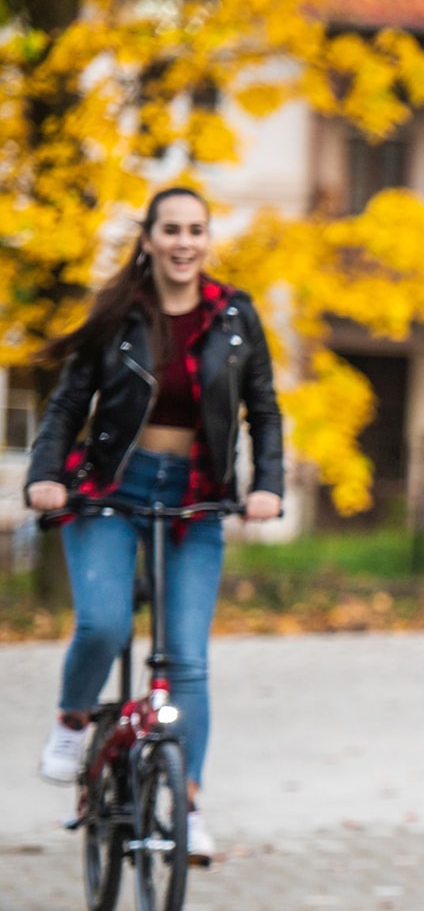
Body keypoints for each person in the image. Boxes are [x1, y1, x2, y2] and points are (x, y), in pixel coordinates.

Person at [25, 186, 285, 864]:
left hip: (197, 496)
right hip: (113, 485)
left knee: (186, 659)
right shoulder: (119, 315)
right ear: (148, 239)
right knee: (106, 624)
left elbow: (264, 407)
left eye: (195, 230)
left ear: (207, 240)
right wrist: (45, 478)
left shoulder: (234, 315)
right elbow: (65, 405)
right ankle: (73, 720)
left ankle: (188, 804)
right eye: (170, 230)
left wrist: (267, 486)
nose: (183, 243)